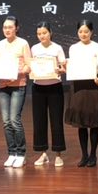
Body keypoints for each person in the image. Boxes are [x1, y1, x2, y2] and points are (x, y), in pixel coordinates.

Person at [64, 19, 98, 167]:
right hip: (78, 87)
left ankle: (93, 155)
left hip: (93, 86)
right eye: (80, 31)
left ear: (91, 32)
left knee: (94, 123)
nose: (83, 34)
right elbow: (72, 67)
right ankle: (84, 155)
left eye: (86, 31)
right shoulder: (73, 48)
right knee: (81, 123)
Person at [0, 15, 32, 168]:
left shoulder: (23, 43)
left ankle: (21, 154)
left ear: (16, 28)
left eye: (10, 27)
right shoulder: (0, 44)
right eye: (5, 27)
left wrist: (17, 73)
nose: (7, 30)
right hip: (3, 86)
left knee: (14, 120)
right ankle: (11, 153)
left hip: (18, 85)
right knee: (6, 122)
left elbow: (29, 66)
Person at [30, 21, 67, 167]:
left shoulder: (57, 48)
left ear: (50, 32)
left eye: (44, 33)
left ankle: (58, 154)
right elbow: (32, 65)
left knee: (56, 121)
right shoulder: (34, 48)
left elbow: (64, 67)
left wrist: (60, 70)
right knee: (39, 121)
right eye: (39, 34)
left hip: (55, 88)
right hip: (38, 88)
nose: (42, 36)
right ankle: (43, 153)